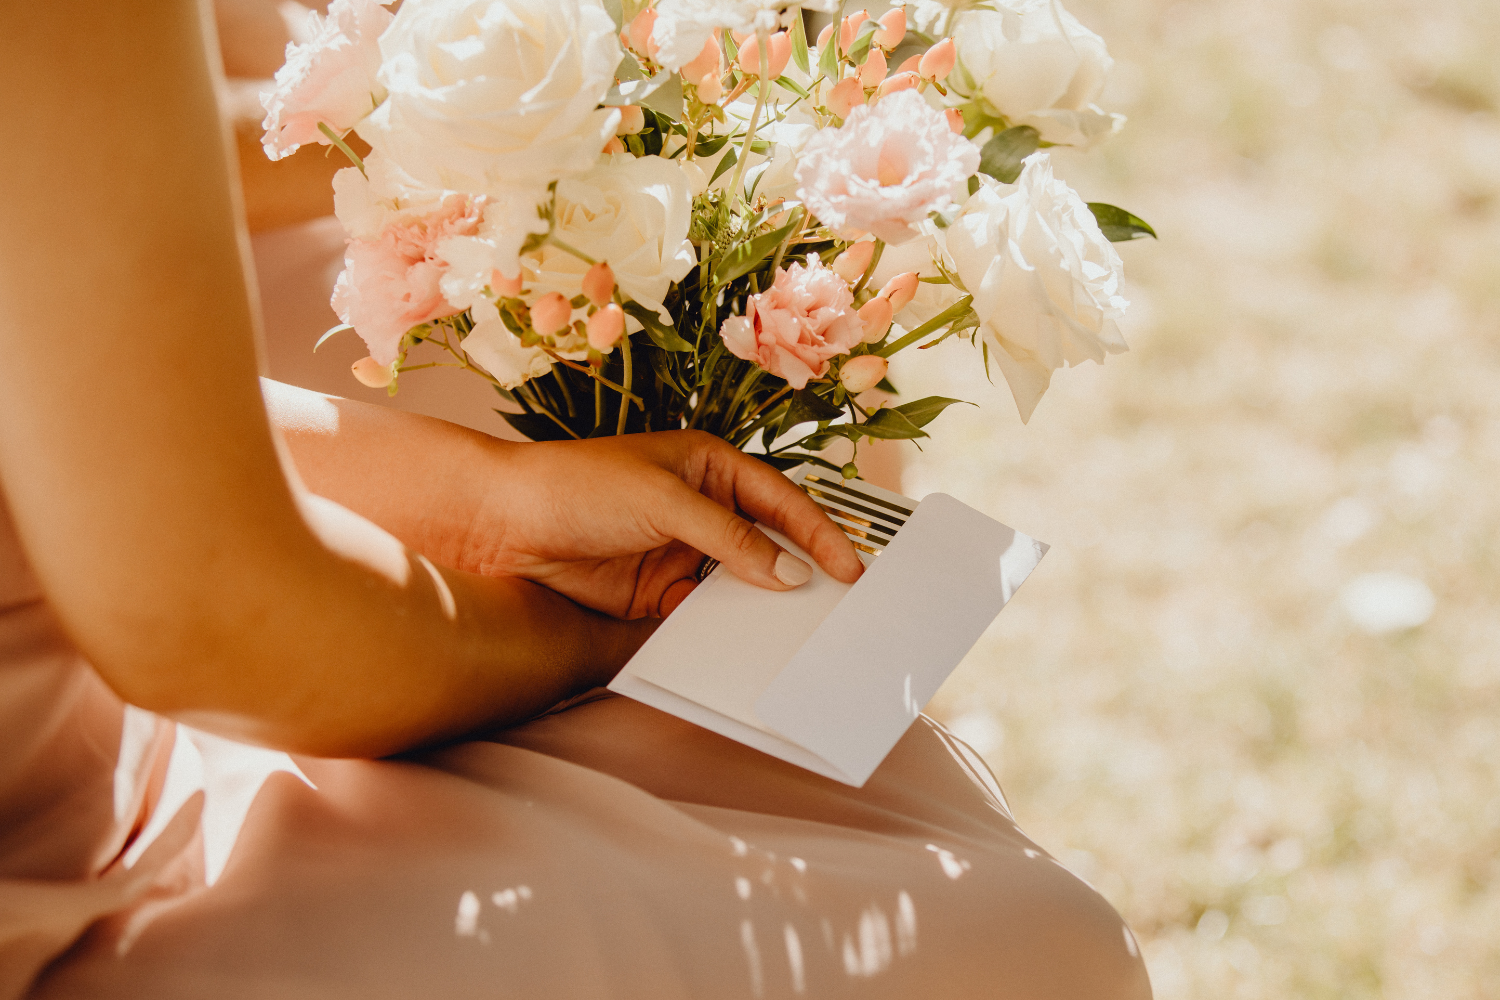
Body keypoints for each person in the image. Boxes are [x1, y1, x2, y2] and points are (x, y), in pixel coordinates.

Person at [0, 2, 1153, 997]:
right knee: (1038, 942)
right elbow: (205, 613)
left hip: (102, 676)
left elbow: (69, 403)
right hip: (74, 890)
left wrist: (493, 504)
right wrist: (570, 638)